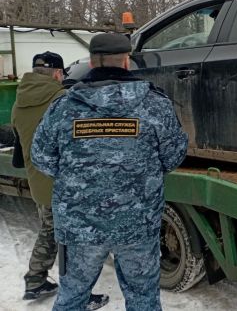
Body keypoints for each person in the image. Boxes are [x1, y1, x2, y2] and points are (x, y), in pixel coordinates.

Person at [31, 33, 188, 311]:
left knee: (72, 299)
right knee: (143, 300)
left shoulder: (63, 108)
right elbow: (173, 156)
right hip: (137, 225)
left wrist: (76, 176)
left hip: (80, 227)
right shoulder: (155, 105)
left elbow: (41, 158)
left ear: (92, 62)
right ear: (126, 61)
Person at [11, 51, 109, 310]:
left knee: (49, 232)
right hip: (64, 184)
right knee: (73, 242)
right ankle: (78, 297)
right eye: (61, 74)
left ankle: (35, 281)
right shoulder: (62, 100)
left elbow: (20, 150)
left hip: (39, 183)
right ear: (56, 73)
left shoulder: (19, 101)